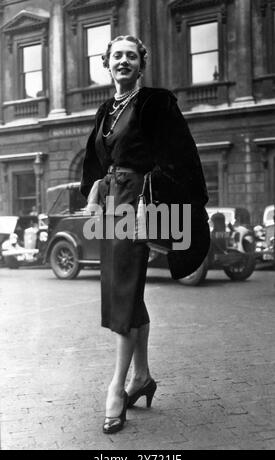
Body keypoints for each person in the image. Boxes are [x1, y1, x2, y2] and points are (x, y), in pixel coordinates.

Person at [80, 35, 210, 434]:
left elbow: (180, 155)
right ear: (106, 62)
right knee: (127, 289)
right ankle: (142, 377)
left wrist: (149, 196)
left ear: (141, 64)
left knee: (123, 291)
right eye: (116, 55)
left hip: (142, 206)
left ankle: (116, 389)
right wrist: (97, 187)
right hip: (114, 207)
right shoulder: (107, 110)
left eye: (131, 56)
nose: (123, 61)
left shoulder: (155, 102)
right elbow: (101, 161)